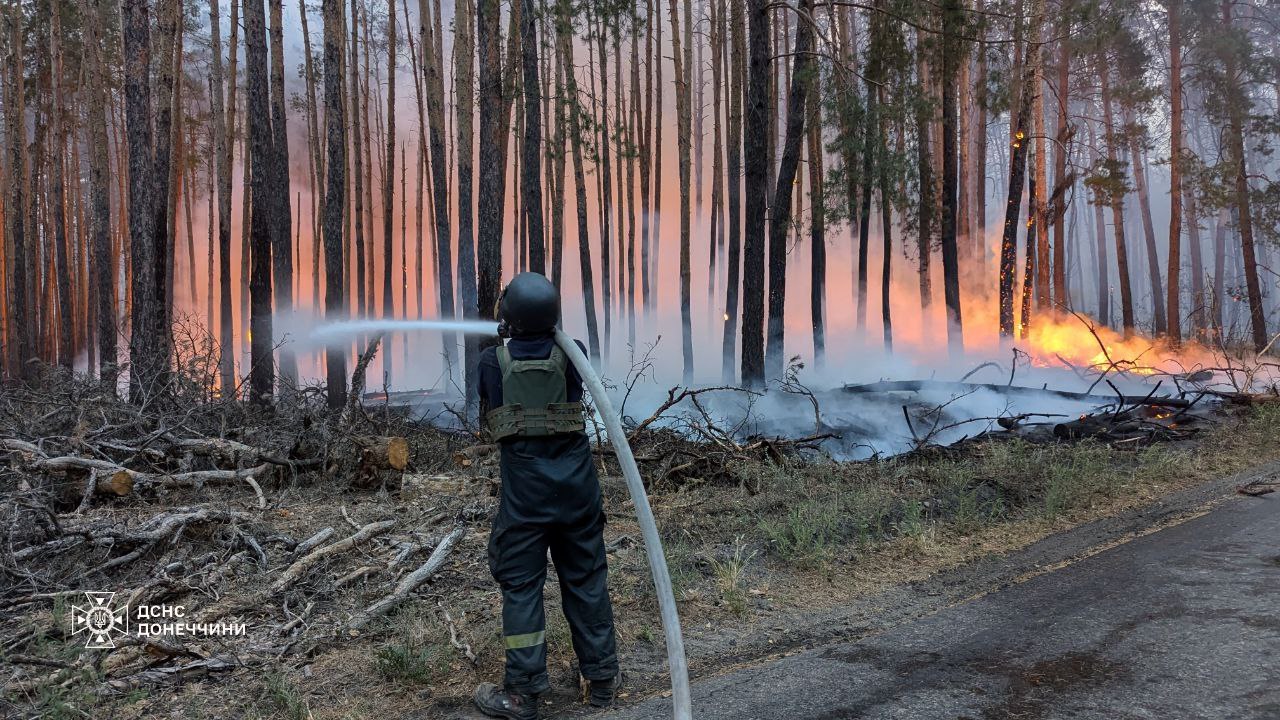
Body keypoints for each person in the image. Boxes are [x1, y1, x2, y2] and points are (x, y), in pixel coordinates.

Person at [473, 272, 622, 720]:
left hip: (526, 499)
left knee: (522, 588)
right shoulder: (573, 353)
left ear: (510, 314)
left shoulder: (491, 362)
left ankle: (522, 694)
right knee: (586, 581)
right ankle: (601, 680)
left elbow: (490, 405)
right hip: (577, 491)